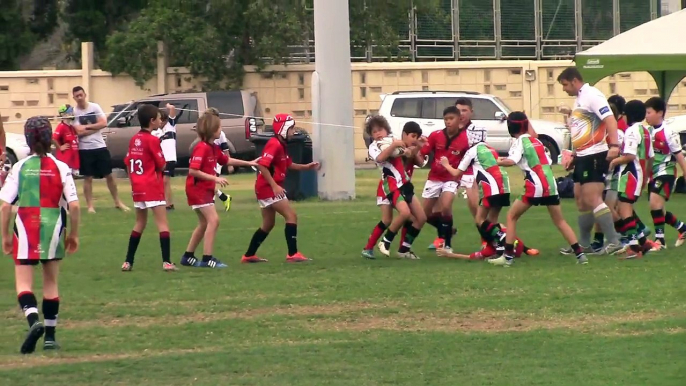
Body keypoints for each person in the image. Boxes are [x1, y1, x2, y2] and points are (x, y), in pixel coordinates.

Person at [0, 116, 80, 354]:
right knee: (51, 282)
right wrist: (73, 235)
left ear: (27, 140)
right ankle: (50, 337)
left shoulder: (20, 167)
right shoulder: (61, 167)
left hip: (25, 226)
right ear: (49, 139)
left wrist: (5, 236)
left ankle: (33, 320)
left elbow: (4, 205)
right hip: (53, 226)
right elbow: (74, 206)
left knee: (24, 283)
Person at [490, 112, 587, 266]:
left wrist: (496, 162)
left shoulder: (519, 142)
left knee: (511, 217)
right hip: (550, 184)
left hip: (535, 185)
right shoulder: (537, 141)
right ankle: (580, 255)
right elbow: (546, 162)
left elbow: (511, 161)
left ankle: (507, 257)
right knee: (560, 220)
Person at [557, 67, 622, 255]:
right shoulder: (579, 99)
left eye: (565, 85)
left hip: (595, 154)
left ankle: (614, 240)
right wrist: (575, 156)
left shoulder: (592, 95)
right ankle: (584, 244)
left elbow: (610, 119)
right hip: (583, 156)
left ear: (575, 80)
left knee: (593, 198)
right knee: (581, 200)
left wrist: (614, 145)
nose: (564, 89)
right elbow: (582, 129)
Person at [241, 114, 320, 263]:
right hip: (267, 189)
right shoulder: (274, 144)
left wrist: (306, 167)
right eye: (291, 129)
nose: (293, 132)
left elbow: (289, 164)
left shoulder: (281, 145)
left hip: (266, 188)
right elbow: (262, 165)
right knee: (291, 216)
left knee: (268, 224)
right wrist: (274, 185)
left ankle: (249, 255)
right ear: (283, 129)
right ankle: (292, 254)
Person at [121, 104, 177, 272]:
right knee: (162, 223)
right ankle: (167, 262)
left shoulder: (133, 139)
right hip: (152, 185)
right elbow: (161, 164)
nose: (161, 121)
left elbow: (127, 161)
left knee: (139, 223)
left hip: (137, 187)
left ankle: (128, 262)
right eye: (159, 118)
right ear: (152, 121)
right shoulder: (153, 140)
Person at [439, 136, 510, 252]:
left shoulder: (472, 151)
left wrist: (446, 164)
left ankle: (502, 238)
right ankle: (499, 249)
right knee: (492, 221)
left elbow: (456, 173)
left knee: (479, 219)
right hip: (504, 186)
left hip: (491, 187)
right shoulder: (490, 148)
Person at [371, 121, 427, 260]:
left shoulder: (394, 141)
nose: (378, 134)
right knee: (400, 215)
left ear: (387, 130)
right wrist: (395, 146)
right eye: (374, 131)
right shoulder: (376, 146)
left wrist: (416, 147)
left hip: (405, 183)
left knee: (421, 218)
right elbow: (381, 158)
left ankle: (404, 249)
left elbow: (410, 155)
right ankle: (385, 241)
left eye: (380, 130)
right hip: (391, 185)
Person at [608, 100, 656, 259]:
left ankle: (634, 248)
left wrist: (614, 161)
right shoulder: (646, 131)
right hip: (639, 175)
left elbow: (629, 156)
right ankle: (644, 243)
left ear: (628, 115)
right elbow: (651, 157)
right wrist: (645, 178)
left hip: (630, 174)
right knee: (624, 207)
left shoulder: (631, 131)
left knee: (624, 209)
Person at [71, 86, 129, 213]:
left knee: (109, 175)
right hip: (84, 149)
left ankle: (118, 202)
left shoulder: (94, 107)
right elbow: (77, 132)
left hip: (100, 146)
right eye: (77, 96)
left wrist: (87, 127)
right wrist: (94, 128)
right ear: (74, 98)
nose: (79, 98)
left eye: (81, 95)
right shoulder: (74, 112)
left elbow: (103, 123)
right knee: (88, 177)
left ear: (85, 94)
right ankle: (90, 206)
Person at [419, 106, 469, 252]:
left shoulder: (465, 139)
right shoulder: (436, 135)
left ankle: (447, 244)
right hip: (434, 177)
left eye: (451, 119)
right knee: (424, 215)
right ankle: (447, 229)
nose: (448, 122)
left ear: (459, 119)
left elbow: (468, 159)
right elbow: (424, 152)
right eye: (446, 119)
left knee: (446, 206)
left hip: (451, 178)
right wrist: (419, 147)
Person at [644, 96, 686, 249]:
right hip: (653, 175)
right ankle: (682, 228)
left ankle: (660, 241)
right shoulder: (647, 132)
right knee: (658, 209)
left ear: (660, 113)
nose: (646, 116)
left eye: (649, 112)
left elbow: (679, 155)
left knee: (654, 203)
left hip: (666, 172)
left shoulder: (668, 132)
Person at [157, 104, 177, 210]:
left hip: (170, 158)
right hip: (163, 160)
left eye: (160, 120)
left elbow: (173, 109)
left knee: (165, 181)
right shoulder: (159, 132)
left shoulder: (171, 125)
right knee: (164, 181)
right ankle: (168, 203)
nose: (159, 122)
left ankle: (168, 204)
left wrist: (168, 106)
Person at [52, 105, 80, 175]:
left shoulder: (71, 127)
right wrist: (60, 147)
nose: (72, 113)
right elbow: (53, 138)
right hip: (65, 160)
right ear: (63, 114)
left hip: (73, 159)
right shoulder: (61, 126)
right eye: (70, 111)